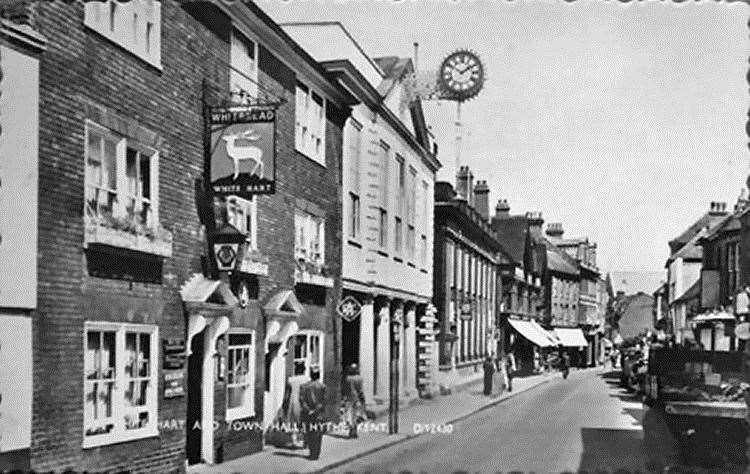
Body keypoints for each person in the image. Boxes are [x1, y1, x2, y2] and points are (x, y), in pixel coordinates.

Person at [299, 367, 327, 460]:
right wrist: (315, 410)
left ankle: (311, 453)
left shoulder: (304, 386)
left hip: (307, 414)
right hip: (318, 414)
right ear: (318, 375)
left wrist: (308, 410)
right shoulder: (322, 386)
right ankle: (316, 454)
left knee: (309, 433)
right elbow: (324, 401)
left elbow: (301, 400)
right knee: (318, 434)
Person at [341, 363, 366, 438]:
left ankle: (352, 430)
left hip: (349, 398)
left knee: (349, 415)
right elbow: (360, 389)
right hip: (357, 398)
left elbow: (344, 389)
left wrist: (343, 397)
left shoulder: (347, 378)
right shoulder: (359, 378)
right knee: (356, 414)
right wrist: (362, 397)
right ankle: (354, 430)